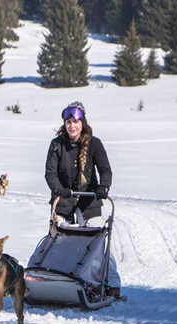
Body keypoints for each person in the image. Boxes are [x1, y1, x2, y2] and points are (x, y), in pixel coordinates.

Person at [44, 101, 121, 297]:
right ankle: (53, 280)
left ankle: (111, 283)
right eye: (68, 122)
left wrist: (104, 186)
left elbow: (105, 169)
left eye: (75, 121)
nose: (72, 126)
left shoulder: (94, 144)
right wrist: (60, 190)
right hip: (64, 199)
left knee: (99, 241)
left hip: (89, 200)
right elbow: (50, 173)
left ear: (82, 123)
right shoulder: (57, 145)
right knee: (56, 240)